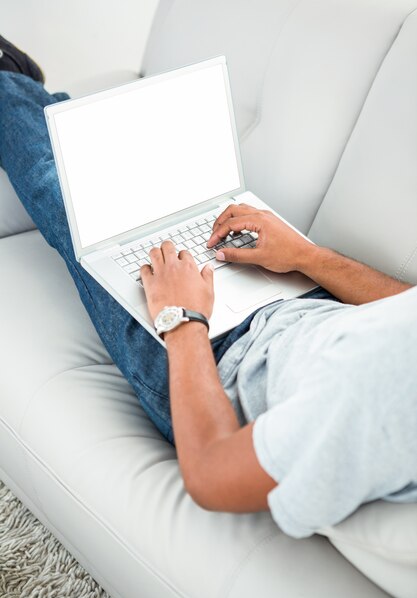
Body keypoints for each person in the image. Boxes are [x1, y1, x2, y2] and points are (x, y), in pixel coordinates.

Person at [1, 37, 416, 538]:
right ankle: (35, 97)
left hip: (217, 357)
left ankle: (12, 84)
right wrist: (307, 256)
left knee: (66, 194)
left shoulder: (380, 403)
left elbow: (213, 475)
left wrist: (182, 318)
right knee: (160, 191)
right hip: (305, 302)